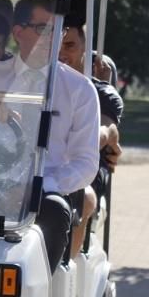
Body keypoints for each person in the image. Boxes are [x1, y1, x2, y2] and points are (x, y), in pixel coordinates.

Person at [0, 0, 100, 274]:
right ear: (18, 32)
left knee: (55, 213)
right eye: (43, 29)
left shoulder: (79, 89)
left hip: (46, 188)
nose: (54, 39)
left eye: (59, 30)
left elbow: (86, 164)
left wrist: (36, 187)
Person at [58, 21, 124, 260]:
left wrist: (104, 138)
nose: (61, 52)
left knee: (84, 198)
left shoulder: (100, 92)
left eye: (70, 45)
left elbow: (105, 129)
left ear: (86, 50)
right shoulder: (33, 84)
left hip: (82, 169)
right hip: (42, 164)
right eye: (56, 43)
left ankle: (64, 267)